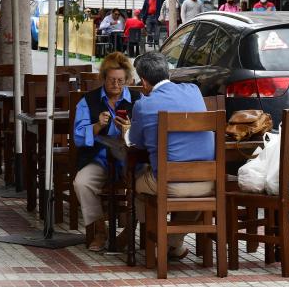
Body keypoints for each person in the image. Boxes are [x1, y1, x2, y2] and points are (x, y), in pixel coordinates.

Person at [117, 51, 215, 259]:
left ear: (143, 81)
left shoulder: (144, 105)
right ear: (167, 72)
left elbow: (135, 142)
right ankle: (173, 242)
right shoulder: (193, 91)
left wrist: (126, 129)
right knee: (190, 195)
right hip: (207, 183)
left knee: (135, 180)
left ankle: (149, 237)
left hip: (168, 183)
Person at [73, 52, 140, 252]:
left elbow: (148, 133)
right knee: (82, 183)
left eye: (121, 80)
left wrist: (128, 129)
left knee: (146, 184)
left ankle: (129, 231)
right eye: (112, 80)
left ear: (128, 79)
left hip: (131, 159)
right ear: (103, 78)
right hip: (99, 158)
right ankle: (99, 230)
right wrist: (96, 126)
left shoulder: (139, 100)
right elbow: (77, 137)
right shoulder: (88, 101)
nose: (116, 85)